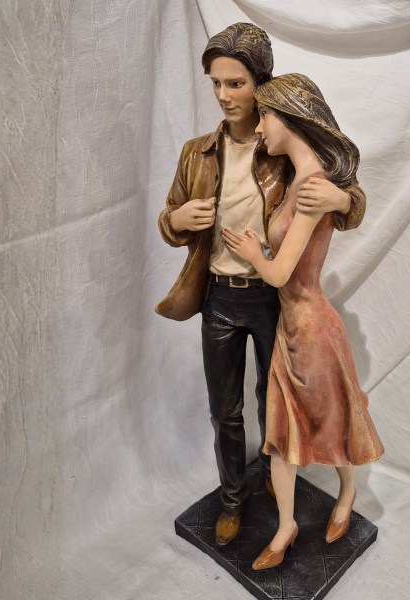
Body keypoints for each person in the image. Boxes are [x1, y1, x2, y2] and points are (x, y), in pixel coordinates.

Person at [156, 24, 368, 546]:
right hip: (217, 297)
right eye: (216, 83)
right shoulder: (196, 153)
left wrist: (343, 200)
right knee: (223, 408)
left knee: (275, 405)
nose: (224, 96)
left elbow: (344, 190)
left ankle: (280, 486)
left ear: (260, 85)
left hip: (272, 298)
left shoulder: (280, 146)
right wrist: (177, 220)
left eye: (236, 83)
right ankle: (233, 498)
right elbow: (169, 217)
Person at [221, 73, 384, 570]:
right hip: (291, 325)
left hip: (311, 329)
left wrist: (253, 252)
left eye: (265, 117)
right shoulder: (299, 178)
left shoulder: (313, 187)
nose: (259, 127)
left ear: (288, 118)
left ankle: (348, 492)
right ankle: (287, 526)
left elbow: (279, 273)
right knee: (283, 435)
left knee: (330, 419)